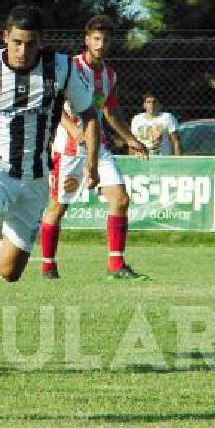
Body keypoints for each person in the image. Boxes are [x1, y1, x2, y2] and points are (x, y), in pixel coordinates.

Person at [0, 4, 98, 366]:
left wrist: (90, 162)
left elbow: (88, 113)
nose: (23, 51)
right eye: (17, 42)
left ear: (41, 42)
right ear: (4, 38)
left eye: (31, 43)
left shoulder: (61, 68)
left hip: (37, 178)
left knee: (9, 272)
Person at [39, 15, 150, 281]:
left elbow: (110, 111)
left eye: (105, 40)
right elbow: (54, 105)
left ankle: (116, 266)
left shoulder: (109, 74)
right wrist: (73, 129)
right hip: (68, 150)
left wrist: (130, 138)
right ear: (86, 40)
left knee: (121, 199)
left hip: (98, 147)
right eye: (96, 39)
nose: (100, 44)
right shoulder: (70, 68)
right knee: (58, 206)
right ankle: (47, 266)